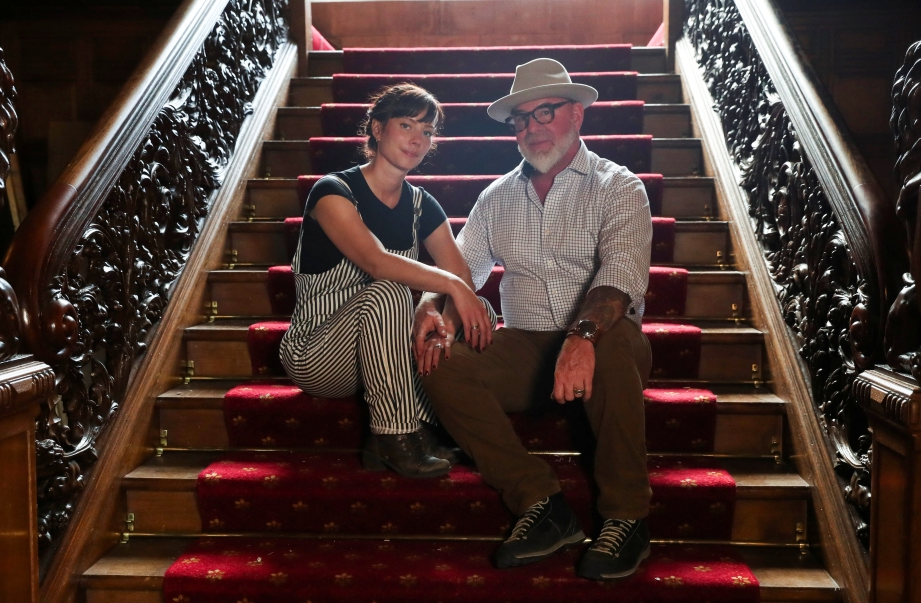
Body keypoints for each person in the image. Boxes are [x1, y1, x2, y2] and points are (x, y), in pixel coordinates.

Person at [415, 59, 654, 580]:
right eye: (520, 119)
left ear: (576, 114)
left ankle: (627, 516)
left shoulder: (619, 186)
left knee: (613, 340)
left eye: (544, 112)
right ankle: (542, 504)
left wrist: (581, 336)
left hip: (606, 340)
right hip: (524, 345)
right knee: (440, 360)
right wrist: (431, 303)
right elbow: (460, 270)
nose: (531, 127)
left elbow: (621, 275)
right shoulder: (496, 197)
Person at [279, 84, 494, 480]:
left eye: (427, 131)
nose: (418, 139)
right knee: (389, 291)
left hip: (383, 350)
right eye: (406, 125)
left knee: (481, 312)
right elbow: (377, 263)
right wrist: (452, 288)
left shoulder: (422, 204)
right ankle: (395, 436)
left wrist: (440, 320)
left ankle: (422, 427)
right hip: (320, 353)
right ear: (377, 129)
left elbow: (461, 275)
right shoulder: (333, 192)